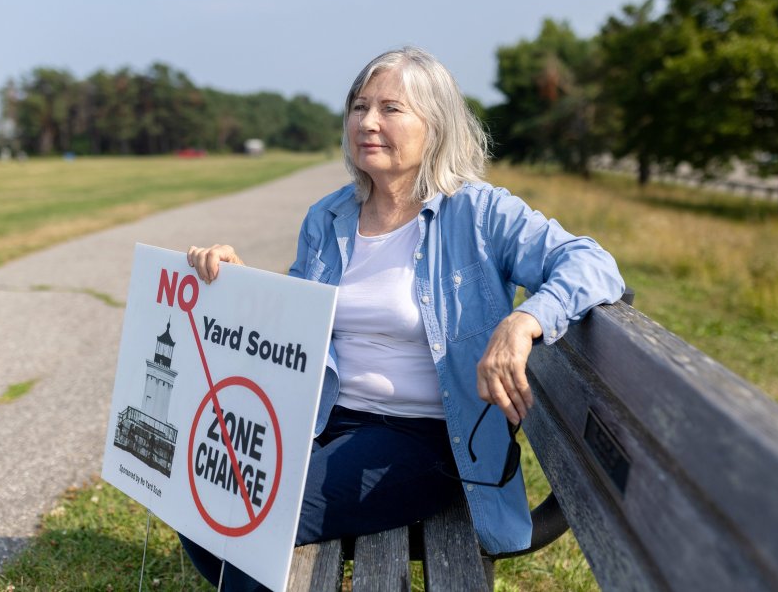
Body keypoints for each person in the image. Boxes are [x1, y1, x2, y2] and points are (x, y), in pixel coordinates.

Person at [179, 47, 625, 591]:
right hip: (324, 421)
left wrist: (524, 320)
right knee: (203, 486)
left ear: (434, 127)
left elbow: (592, 262)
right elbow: (295, 325)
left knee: (252, 510)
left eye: (391, 108)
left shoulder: (479, 212)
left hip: (427, 440)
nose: (368, 121)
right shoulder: (329, 216)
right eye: (359, 106)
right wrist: (238, 282)